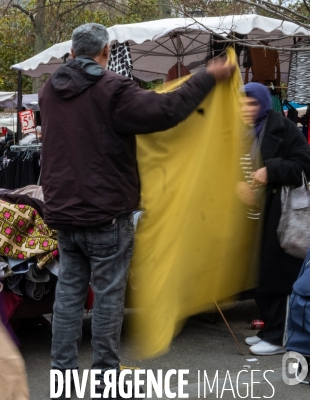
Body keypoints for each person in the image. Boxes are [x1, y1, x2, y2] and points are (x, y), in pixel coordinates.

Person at [38, 23, 234, 396]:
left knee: (69, 295)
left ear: (72, 52)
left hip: (63, 210)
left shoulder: (50, 90)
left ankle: (62, 376)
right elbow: (166, 111)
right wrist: (207, 76)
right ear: (106, 52)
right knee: (109, 296)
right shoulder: (111, 88)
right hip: (105, 211)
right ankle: (105, 378)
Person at [237, 83, 310, 356]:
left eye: (251, 104)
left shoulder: (283, 128)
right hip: (249, 215)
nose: (245, 109)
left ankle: (279, 337)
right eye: (242, 104)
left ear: (264, 104)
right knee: (257, 276)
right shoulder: (241, 132)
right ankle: (268, 330)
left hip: (278, 212)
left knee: (276, 276)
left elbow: (305, 164)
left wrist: (271, 170)